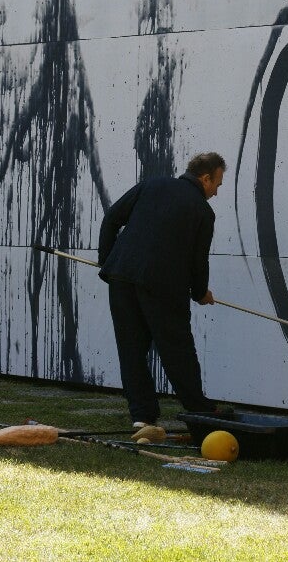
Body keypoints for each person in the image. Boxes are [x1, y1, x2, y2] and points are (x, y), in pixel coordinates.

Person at [98, 152, 226, 426]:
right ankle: (199, 411)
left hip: (122, 277)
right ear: (205, 178)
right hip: (164, 286)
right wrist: (200, 292)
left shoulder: (151, 185)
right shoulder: (203, 211)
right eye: (217, 184)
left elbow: (111, 218)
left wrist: (107, 264)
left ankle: (142, 416)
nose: (216, 192)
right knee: (177, 348)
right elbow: (197, 260)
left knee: (131, 350)